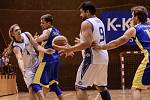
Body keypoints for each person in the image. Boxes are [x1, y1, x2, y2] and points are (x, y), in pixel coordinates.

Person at [55, 1, 111, 100]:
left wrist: (70, 49)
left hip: (92, 58)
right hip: (103, 57)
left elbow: (87, 44)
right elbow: (91, 40)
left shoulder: (86, 23)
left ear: (87, 12)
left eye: (81, 12)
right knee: (101, 87)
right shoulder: (99, 21)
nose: (80, 15)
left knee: (80, 86)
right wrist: (80, 42)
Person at [92, 6, 150, 100]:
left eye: (132, 16)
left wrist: (101, 47)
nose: (131, 18)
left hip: (149, 58)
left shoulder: (134, 29)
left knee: (136, 88)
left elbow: (116, 43)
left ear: (136, 17)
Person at [8, 24, 54, 100]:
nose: (19, 31)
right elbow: (20, 59)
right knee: (32, 90)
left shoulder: (27, 34)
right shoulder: (16, 47)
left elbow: (36, 46)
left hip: (37, 63)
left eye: (19, 29)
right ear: (12, 34)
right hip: (28, 69)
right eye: (16, 30)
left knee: (45, 87)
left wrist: (45, 50)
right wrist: (23, 70)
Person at [31, 14, 64, 100]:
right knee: (53, 85)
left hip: (47, 61)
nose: (41, 24)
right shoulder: (57, 31)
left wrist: (35, 39)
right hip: (56, 60)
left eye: (43, 23)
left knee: (35, 84)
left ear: (49, 23)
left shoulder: (47, 30)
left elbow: (44, 36)